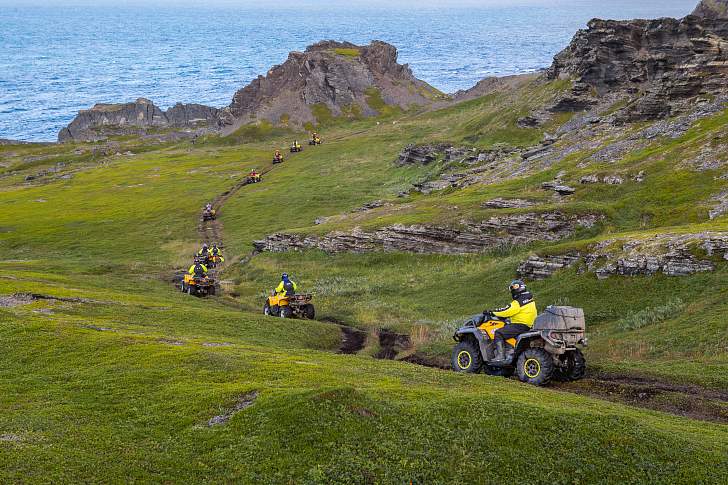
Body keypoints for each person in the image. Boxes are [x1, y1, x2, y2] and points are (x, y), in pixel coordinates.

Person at [486, 279, 537, 363]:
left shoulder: (518, 302)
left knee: (498, 333)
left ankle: (500, 356)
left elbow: (507, 311)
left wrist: (492, 312)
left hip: (520, 325)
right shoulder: (529, 298)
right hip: (529, 324)